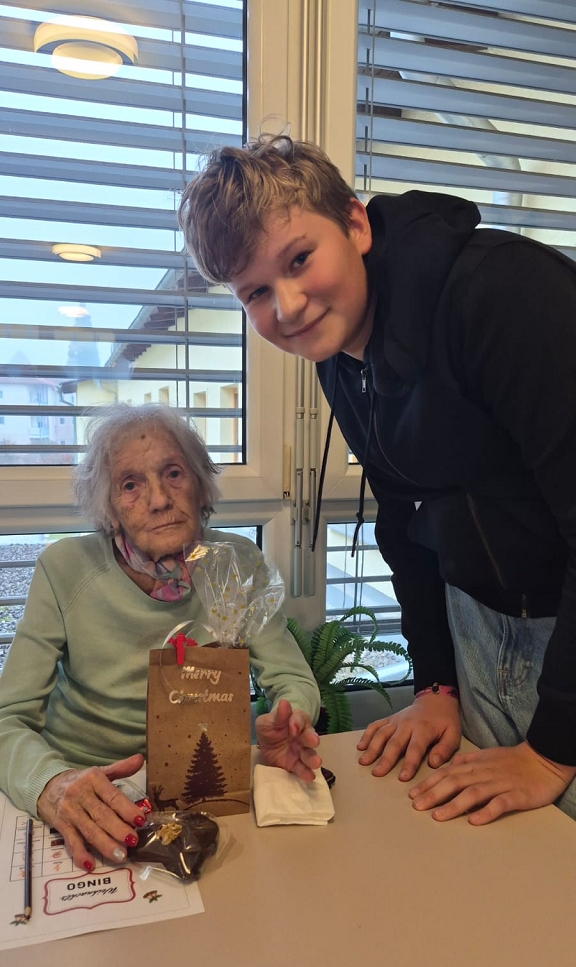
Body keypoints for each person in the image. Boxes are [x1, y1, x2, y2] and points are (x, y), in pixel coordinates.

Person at [177, 134, 576, 825]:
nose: (289, 306)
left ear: (355, 224)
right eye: (257, 292)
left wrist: (551, 751)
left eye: (299, 259)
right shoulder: (339, 354)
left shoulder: (503, 292)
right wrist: (436, 685)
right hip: (478, 625)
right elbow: (402, 519)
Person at [0, 403, 321, 868]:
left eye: (173, 473)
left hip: (205, 784)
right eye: (130, 484)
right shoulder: (64, 569)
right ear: (109, 508)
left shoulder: (237, 564)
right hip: (88, 792)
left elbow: (293, 680)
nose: (158, 500)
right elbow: (7, 719)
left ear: (200, 484)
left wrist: (291, 718)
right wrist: (52, 784)